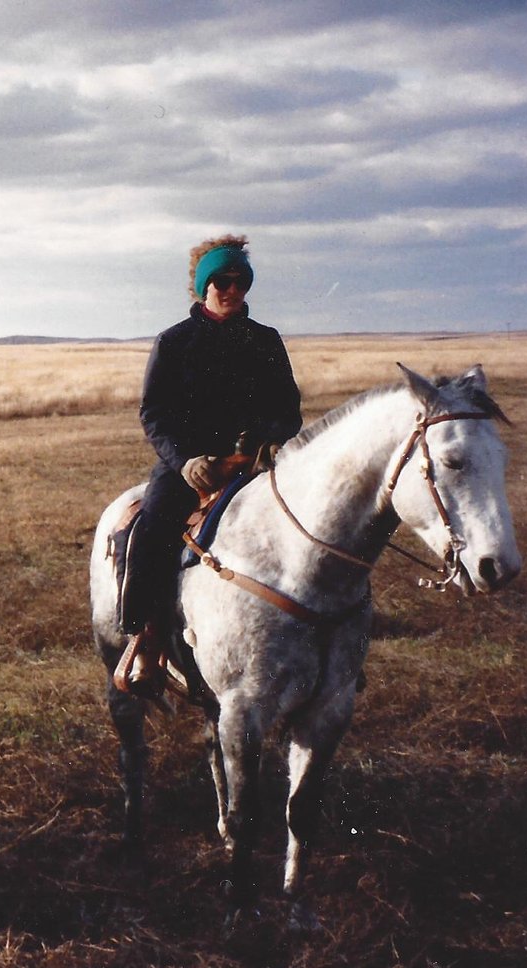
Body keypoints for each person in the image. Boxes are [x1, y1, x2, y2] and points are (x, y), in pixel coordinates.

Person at [118, 235, 302, 694]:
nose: (231, 289)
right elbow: (153, 414)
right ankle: (144, 637)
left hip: (252, 468)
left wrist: (270, 440)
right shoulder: (174, 343)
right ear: (204, 285)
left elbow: (289, 408)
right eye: (221, 280)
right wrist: (183, 462)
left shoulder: (265, 341)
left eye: (240, 281)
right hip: (190, 468)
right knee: (151, 529)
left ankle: (327, 643)